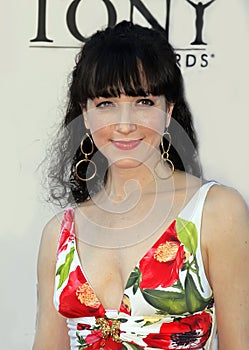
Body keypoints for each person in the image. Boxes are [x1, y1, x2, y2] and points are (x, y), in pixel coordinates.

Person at [32, 21, 249, 350]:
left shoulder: (216, 213)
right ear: (86, 117)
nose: (124, 124)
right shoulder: (59, 233)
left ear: (167, 112)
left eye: (143, 102)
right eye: (106, 104)